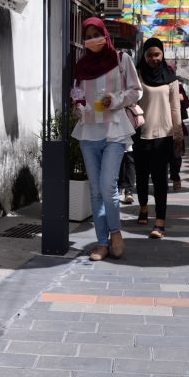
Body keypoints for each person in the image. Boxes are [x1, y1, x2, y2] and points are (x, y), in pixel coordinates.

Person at [71, 18, 142, 261]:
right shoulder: (81, 66)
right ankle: (101, 243)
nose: (92, 39)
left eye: (96, 33)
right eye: (88, 35)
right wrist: (78, 104)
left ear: (105, 34)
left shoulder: (121, 59)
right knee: (95, 190)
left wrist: (116, 98)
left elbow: (136, 90)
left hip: (114, 130)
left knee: (107, 186)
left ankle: (116, 233)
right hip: (88, 131)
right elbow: (77, 92)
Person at [134, 39, 185, 239]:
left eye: (157, 55)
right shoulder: (137, 75)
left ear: (162, 55)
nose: (153, 59)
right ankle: (144, 207)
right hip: (140, 134)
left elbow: (175, 108)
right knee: (141, 176)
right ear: (144, 56)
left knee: (160, 179)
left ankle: (160, 223)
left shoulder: (171, 79)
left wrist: (178, 133)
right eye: (149, 55)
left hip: (164, 135)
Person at [170, 80, 189, 192]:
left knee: (176, 156)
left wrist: (181, 99)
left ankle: (175, 178)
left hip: (176, 126)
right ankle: (161, 181)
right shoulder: (154, 84)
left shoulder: (178, 86)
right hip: (159, 125)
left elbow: (187, 103)